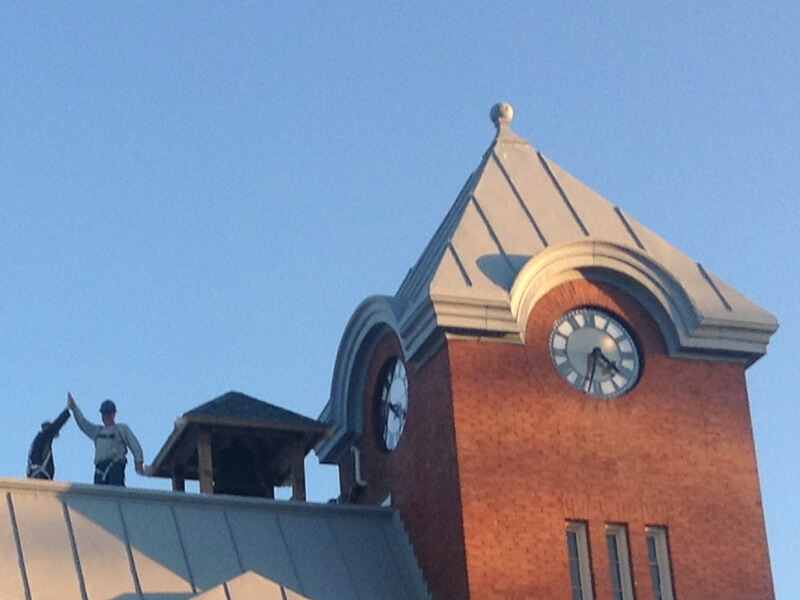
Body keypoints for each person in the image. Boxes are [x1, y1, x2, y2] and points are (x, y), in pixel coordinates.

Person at [67, 392, 144, 486]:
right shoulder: (98, 431)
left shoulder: (121, 429)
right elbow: (83, 424)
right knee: (99, 497)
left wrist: (138, 462)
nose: (106, 416)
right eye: (104, 414)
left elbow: (134, 444)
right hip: (100, 470)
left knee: (116, 494)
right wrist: (74, 408)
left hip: (115, 467)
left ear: (114, 414)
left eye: (109, 413)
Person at [27, 400, 71, 480]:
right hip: (40, 477)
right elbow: (56, 425)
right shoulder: (43, 437)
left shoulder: (38, 441)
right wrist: (67, 410)